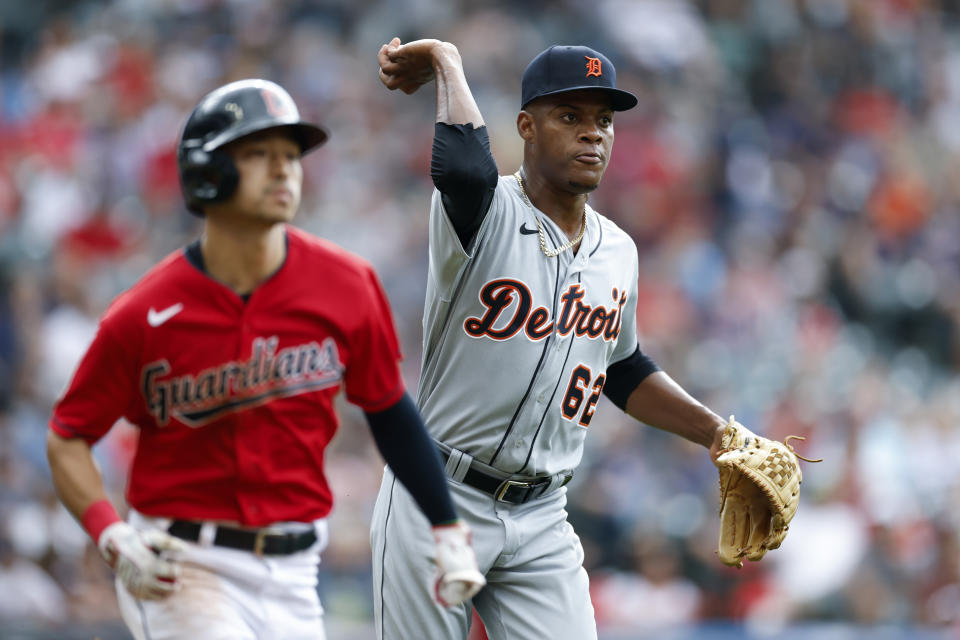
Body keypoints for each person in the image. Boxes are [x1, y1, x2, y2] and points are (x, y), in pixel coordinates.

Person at [45, 78, 484, 640]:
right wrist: (111, 534)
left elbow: (389, 410)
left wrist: (447, 525)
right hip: (182, 564)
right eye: (258, 154)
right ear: (206, 171)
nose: (284, 170)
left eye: (290, 155)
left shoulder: (347, 284)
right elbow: (68, 435)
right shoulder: (146, 313)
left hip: (297, 573)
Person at [372, 39, 732, 640]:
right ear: (526, 128)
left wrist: (718, 435)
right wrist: (447, 61)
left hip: (542, 514)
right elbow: (462, 166)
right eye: (570, 117)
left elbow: (621, 368)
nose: (593, 134)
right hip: (437, 495)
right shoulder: (481, 212)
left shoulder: (618, 250)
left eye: (604, 120)